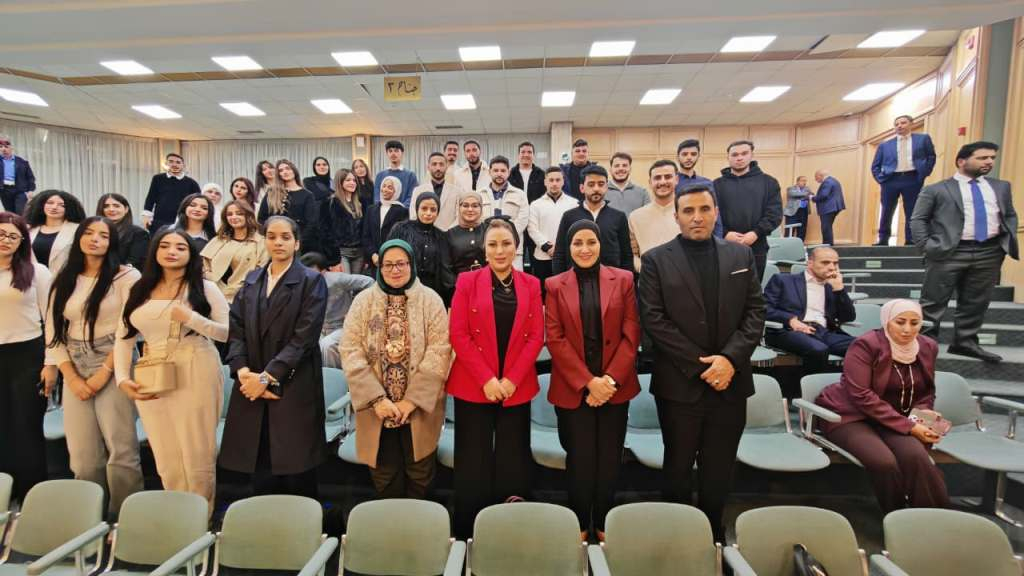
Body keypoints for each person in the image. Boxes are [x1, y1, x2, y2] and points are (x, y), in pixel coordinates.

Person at [638, 185, 765, 543]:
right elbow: (654, 320)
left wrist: (729, 359)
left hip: (731, 382)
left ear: (716, 212)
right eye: (689, 210)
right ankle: (677, 538)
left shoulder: (741, 255)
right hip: (680, 383)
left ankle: (713, 536)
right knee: (677, 467)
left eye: (704, 209)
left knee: (719, 468)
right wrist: (704, 366)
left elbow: (755, 312)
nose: (697, 217)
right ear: (676, 216)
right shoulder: (656, 260)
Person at [114, 228, 229, 512]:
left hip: (195, 363)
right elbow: (123, 337)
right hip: (151, 369)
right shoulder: (139, 289)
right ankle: (176, 515)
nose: (172, 251)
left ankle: (200, 517)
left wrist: (192, 318)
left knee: (196, 451)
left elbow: (227, 333)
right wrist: (122, 378)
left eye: (180, 247)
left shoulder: (205, 288)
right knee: (165, 452)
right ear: (155, 251)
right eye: (165, 245)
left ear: (191, 254)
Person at [448, 218, 544, 538]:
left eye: (506, 243)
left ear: (516, 247)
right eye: (493, 244)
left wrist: (511, 379)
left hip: (516, 386)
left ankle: (509, 531)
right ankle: (469, 532)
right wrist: (487, 380)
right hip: (474, 385)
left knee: (512, 460)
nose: (500, 250)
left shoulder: (531, 284)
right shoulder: (467, 281)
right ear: (484, 249)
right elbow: (458, 334)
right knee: (472, 461)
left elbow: (536, 336)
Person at [545, 220, 640, 541]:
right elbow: (555, 339)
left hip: (615, 387)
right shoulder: (554, 285)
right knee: (580, 459)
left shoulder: (623, 279)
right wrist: (589, 382)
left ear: (601, 245)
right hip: (574, 389)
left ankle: (602, 522)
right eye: (577, 243)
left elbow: (631, 333)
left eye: (591, 242)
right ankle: (579, 525)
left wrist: (609, 380)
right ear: (568, 248)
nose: (585, 249)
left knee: (610, 459)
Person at [220, 216, 328, 499]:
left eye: (285, 237)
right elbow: (236, 330)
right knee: (260, 465)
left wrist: (267, 378)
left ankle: (303, 524)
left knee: (296, 469)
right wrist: (243, 371)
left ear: (297, 243)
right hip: (252, 381)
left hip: (292, 382)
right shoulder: (252, 280)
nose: (278, 242)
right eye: (271, 237)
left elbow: (304, 338)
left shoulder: (311, 281)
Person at [44, 217, 143, 515]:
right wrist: (71, 377)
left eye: (103, 235)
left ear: (112, 242)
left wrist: (104, 373)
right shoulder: (64, 276)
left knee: (121, 450)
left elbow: (129, 329)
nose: (95, 239)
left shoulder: (126, 276)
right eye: (88, 233)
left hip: (115, 358)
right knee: (83, 456)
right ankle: (89, 518)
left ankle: (125, 517)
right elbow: (53, 331)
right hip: (74, 360)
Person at [815, 299, 950, 512]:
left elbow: (926, 391)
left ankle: (932, 518)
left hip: (893, 416)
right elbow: (861, 395)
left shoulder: (927, 346)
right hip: (850, 415)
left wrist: (924, 415)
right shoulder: (866, 345)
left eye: (915, 323)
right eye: (900, 322)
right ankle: (897, 516)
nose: (908, 329)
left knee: (916, 457)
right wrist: (911, 427)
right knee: (883, 461)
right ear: (887, 321)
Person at [341, 239, 452, 498]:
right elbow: (350, 350)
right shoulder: (363, 301)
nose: (395, 270)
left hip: (419, 409)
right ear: (379, 267)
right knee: (384, 476)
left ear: (411, 265)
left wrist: (411, 401)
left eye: (401, 263)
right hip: (377, 410)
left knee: (420, 474)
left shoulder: (430, 300)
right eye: (388, 265)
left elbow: (440, 351)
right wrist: (377, 399)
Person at [911, 141, 1018, 364]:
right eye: (982, 158)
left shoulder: (1001, 187)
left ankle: (965, 343)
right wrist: (927, 246)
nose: (989, 162)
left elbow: (1009, 214)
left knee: (976, 301)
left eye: (992, 158)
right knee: (933, 302)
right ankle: (925, 345)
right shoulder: (936, 189)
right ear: (962, 161)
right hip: (949, 251)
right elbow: (919, 219)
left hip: (989, 251)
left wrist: (1004, 242)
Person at [0, 212, 50, 502]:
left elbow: (52, 319)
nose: (5, 240)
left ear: (22, 241)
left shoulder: (37, 272)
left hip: (27, 354)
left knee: (27, 426)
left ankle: (31, 496)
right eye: (1, 234)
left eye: (12, 236)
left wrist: (51, 363)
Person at [764, 246, 855, 372]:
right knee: (819, 349)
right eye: (825, 262)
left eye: (835, 263)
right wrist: (790, 319)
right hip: (788, 331)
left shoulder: (832, 285)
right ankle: (812, 383)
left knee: (863, 346)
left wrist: (839, 289)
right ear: (810, 263)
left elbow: (848, 317)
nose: (832, 267)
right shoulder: (783, 280)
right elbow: (764, 308)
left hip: (823, 332)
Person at [714, 140, 783, 282]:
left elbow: (774, 214)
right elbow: (711, 215)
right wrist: (725, 233)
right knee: (723, 289)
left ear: (752, 155)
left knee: (753, 290)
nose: (739, 158)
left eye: (744, 153)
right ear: (728, 157)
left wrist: (756, 233)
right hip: (724, 246)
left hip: (756, 246)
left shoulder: (769, 182)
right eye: (735, 155)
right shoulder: (716, 185)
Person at [552, 165, 633, 275]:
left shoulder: (619, 217)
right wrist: (560, 280)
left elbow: (626, 255)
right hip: (575, 279)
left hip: (611, 279)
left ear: (606, 187)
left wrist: (626, 280)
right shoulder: (569, 216)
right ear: (582, 188)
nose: (596, 189)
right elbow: (559, 254)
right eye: (591, 184)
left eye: (601, 184)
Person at [299, 252, 374, 370]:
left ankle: (334, 378)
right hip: (321, 330)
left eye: (312, 272)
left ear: (323, 271)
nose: (308, 276)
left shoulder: (337, 279)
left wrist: (358, 309)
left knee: (327, 345)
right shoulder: (304, 286)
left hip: (343, 327)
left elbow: (369, 282)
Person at [872, 115, 937, 245]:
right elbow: (875, 165)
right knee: (887, 210)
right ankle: (883, 240)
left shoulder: (923, 139)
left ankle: (910, 240)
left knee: (912, 210)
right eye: (897, 124)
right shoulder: (885, 145)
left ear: (911, 124)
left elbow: (931, 156)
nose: (899, 126)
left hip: (913, 178)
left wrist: (924, 172)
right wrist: (881, 179)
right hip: (890, 179)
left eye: (903, 123)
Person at [388, 192, 454, 304]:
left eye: (433, 210)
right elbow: (388, 257)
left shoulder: (441, 236)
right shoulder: (401, 229)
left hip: (431, 292)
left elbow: (445, 269)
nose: (428, 213)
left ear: (437, 213)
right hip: (403, 287)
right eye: (424, 208)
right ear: (417, 209)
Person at [201, 200, 268, 303]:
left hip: (244, 297)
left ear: (248, 215)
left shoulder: (261, 242)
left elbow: (261, 270)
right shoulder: (219, 239)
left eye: (239, 213)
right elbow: (204, 262)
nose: (234, 217)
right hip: (214, 294)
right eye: (229, 214)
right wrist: (210, 278)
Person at [528, 167, 578, 290]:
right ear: (545, 182)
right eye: (551, 180)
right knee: (544, 291)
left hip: (566, 256)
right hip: (542, 257)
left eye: (557, 180)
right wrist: (547, 247)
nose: (554, 183)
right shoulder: (535, 205)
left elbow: (576, 229)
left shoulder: (574, 203)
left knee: (565, 291)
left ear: (563, 181)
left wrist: (561, 248)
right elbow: (532, 229)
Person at [258, 159, 319, 255]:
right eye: (281, 170)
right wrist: (271, 235)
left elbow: (312, 223)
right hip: (275, 243)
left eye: (287, 168)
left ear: (294, 170)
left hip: (297, 244)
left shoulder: (307, 195)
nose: (285, 172)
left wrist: (298, 241)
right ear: (279, 174)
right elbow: (261, 218)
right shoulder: (272, 193)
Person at [629, 160, 681, 271]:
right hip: (648, 278)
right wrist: (644, 269)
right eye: (657, 178)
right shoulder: (635, 217)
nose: (662, 182)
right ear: (650, 182)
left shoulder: (687, 213)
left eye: (668, 177)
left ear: (676, 179)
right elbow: (633, 254)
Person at [480, 156, 529, 269]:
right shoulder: (480, 194)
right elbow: (479, 219)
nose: (499, 174)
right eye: (496, 170)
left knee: (514, 279)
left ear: (509, 172)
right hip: (488, 248)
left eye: (503, 171)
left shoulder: (520, 194)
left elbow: (523, 220)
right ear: (489, 172)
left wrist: (507, 236)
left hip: (514, 249)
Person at [26, 189, 85, 272]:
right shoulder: (30, 229)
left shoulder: (78, 229)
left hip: (63, 277)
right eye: (50, 203)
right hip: (33, 276)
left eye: (61, 205)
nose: (54, 207)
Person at [320, 168, 365, 273]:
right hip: (341, 253)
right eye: (348, 180)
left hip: (359, 253)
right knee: (345, 282)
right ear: (340, 182)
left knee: (357, 283)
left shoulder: (362, 202)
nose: (352, 183)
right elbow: (325, 232)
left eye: (354, 180)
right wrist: (332, 260)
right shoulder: (329, 203)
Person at [675, 139, 723, 238]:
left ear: (698, 156)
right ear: (677, 157)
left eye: (693, 154)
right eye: (684, 154)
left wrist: (718, 240)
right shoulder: (671, 183)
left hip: (704, 236)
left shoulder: (707, 183)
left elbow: (715, 215)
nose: (689, 157)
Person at [143, 153, 202, 231]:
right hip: (159, 221)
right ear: (166, 163)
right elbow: (151, 198)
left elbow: (199, 202)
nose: (174, 164)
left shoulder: (192, 183)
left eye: (178, 162)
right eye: (171, 161)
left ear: (183, 165)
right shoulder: (157, 179)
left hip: (182, 222)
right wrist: (146, 216)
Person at [363, 176, 409, 275]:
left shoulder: (402, 211)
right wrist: (373, 254)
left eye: (390, 187)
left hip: (392, 260)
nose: (385, 189)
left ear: (396, 191)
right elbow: (366, 235)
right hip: (374, 261)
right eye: (384, 186)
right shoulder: (371, 209)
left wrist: (388, 256)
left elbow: (402, 238)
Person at [409, 152, 461, 231]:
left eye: (441, 164)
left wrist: (448, 233)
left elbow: (459, 216)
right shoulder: (418, 190)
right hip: (423, 234)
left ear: (447, 167)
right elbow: (413, 215)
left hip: (449, 235)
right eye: (434, 164)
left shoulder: (457, 191)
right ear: (428, 167)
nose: (438, 168)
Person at [97, 193, 149, 270]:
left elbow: (134, 262)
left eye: (116, 206)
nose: (111, 209)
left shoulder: (139, 233)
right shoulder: (95, 232)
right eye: (106, 206)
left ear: (126, 209)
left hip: (125, 274)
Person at [446, 190, 486, 278]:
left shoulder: (488, 230)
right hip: (460, 283)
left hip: (487, 282)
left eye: (475, 206)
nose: (470, 209)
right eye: (465, 205)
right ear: (459, 208)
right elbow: (446, 269)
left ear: (481, 208)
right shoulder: (450, 234)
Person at [0, 134, 36, 214]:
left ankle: (22, 222)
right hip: (4, 190)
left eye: (6, 146)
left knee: (21, 211)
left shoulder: (22, 162)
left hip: (20, 190)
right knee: (9, 213)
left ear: (11, 147)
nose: (3, 149)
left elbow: (30, 177)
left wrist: (30, 190)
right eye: (1, 147)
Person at [374, 141, 418, 206]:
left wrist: (399, 209)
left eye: (396, 151)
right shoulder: (380, 175)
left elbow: (411, 197)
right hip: (383, 210)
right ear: (387, 153)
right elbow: (377, 197)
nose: (393, 154)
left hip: (403, 211)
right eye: (390, 151)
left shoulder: (411, 175)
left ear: (402, 153)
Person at [813, 170, 846, 246]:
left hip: (828, 208)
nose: (815, 179)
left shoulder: (827, 182)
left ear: (820, 175)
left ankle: (827, 245)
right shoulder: (833, 180)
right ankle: (827, 245)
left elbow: (823, 195)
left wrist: (812, 198)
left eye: (816, 177)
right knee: (827, 227)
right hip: (833, 207)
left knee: (826, 227)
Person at [784, 176, 811, 241]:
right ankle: (787, 244)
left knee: (802, 229)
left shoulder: (807, 189)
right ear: (798, 181)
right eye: (803, 180)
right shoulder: (791, 188)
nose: (804, 182)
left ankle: (800, 244)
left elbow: (812, 194)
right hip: (792, 212)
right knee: (790, 229)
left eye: (805, 181)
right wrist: (806, 195)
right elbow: (794, 194)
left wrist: (804, 195)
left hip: (803, 211)